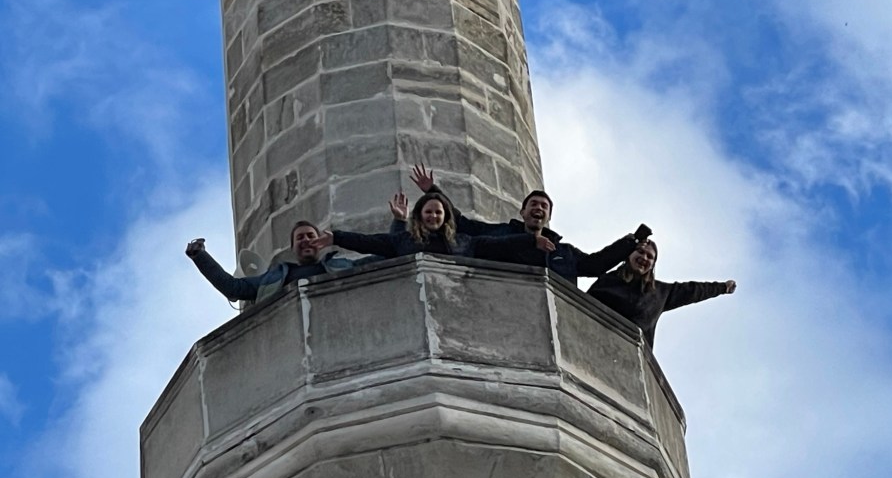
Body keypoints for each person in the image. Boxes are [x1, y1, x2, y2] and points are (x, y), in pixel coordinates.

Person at [405, 164, 651, 285]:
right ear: (523, 212)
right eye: (533, 204)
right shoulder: (500, 233)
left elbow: (595, 265)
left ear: (548, 216)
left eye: (544, 206)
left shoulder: (563, 252)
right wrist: (434, 192)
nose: (538, 208)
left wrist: (631, 242)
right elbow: (462, 224)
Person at [186, 221, 380, 306]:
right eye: (300, 237)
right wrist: (200, 255)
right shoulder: (274, 277)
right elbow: (232, 288)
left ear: (320, 243)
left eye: (310, 236)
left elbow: (387, 257)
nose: (306, 240)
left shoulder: (343, 266)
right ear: (293, 247)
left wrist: (396, 222)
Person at [316, 191, 555, 259]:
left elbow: (498, 245)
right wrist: (336, 237)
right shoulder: (404, 240)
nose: (433, 216)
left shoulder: (463, 242)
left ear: (445, 216)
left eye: (438, 212)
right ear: (420, 216)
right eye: (428, 212)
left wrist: (531, 240)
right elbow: (368, 242)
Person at [586, 240, 736, 346]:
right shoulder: (607, 280)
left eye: (649, 256)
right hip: (590, 337)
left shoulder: (661, 293)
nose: (644, 257)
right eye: (640, 252)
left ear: (653, 265)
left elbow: (693, 291)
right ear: (629, 255)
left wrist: (722, 287)